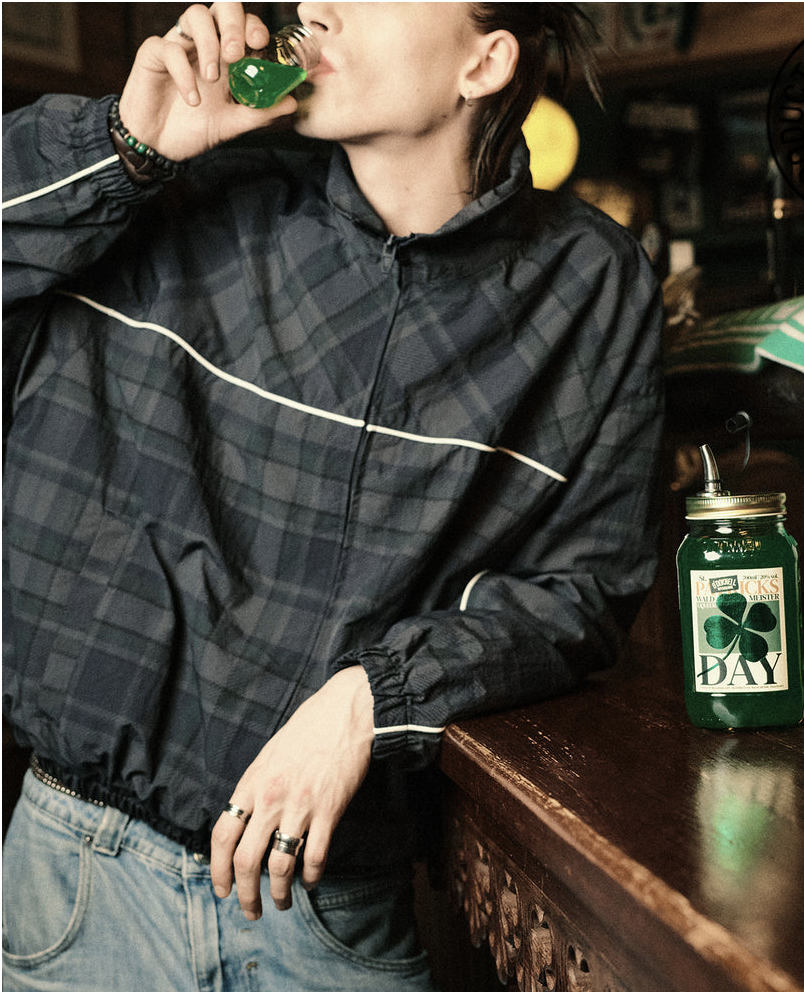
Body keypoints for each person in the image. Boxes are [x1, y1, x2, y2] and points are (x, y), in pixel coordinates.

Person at [2, 2, 665, 990]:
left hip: (326, 909)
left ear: (483, 63)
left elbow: (582, 593)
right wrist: (128, 147)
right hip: (79, 888)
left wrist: (372, 699)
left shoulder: (590, 287)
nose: (313, 7)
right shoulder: (179, 185)